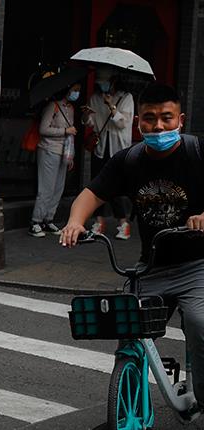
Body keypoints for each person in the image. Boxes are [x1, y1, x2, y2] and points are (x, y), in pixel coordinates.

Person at [61, 83, 204, 406]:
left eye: (166, 118)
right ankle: (127, 407)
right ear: (138, 122)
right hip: (151, 267)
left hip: (198, 267)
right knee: (127, 328)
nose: (158, 126)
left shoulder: (198, 153)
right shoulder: (130, 160)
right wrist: (75, 222)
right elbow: (90, 195)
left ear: (180, 119)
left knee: (199, 323)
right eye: (150, 119)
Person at [83, 66, 134, 239]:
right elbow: (91, 123)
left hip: (118, 149)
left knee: (116, 187)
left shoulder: (126, 98)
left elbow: (122, 123)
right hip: (101, 148)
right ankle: (99, 221)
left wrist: (111, 106)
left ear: (113, 81)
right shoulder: (95, 98)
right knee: (97, 186)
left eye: (105, 81)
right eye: (100, 82)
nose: (102, 85)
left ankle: (123, 224)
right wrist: (86, 116)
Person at [29, 83, 79, 237]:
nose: (77, 93)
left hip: (64, 152)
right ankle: (35, 221)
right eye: (75, 90)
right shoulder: (53, 106)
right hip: (49, 149)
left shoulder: (70, 108)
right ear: (67, 90)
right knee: (47, 187)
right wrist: (64, 131)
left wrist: (71, 155)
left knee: (58, 188)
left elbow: (71, 134)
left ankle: (48, 219)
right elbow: (43, 129)